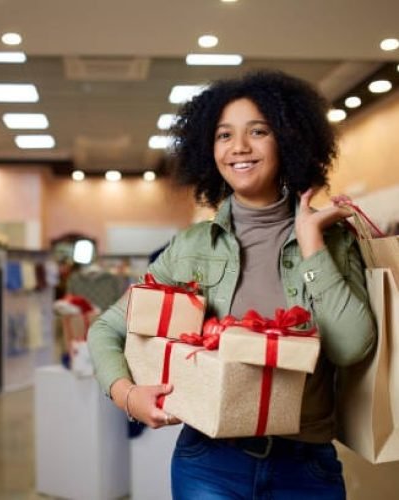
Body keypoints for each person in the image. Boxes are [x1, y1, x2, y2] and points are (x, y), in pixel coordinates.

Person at [87, 70, 376, 499]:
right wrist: (128, 396)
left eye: (258, 131)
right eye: (224, 135)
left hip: (306, 466)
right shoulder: (189, 248)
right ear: (210, 150)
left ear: (289, 139)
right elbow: (106, 328)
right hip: (210, 463)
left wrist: (312, 244)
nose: (239, 147)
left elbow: (352, 347)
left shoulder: (331, 241)